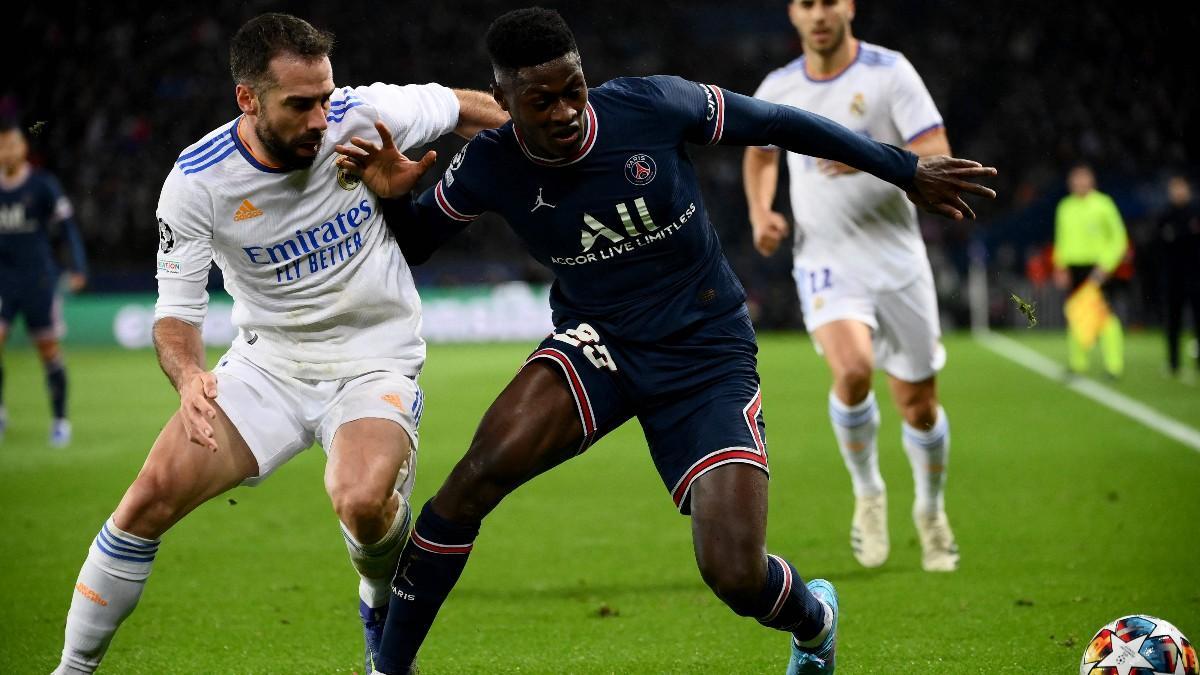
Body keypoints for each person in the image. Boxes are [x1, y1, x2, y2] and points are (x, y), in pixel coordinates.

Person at [333, 8, 995, 673]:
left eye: (574, 89)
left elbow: (778, 123)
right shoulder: (488, 164)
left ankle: (813, 619)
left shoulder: (650, 104)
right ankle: (388, 666)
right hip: (600, 344)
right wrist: (391, 196)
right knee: (469, 484)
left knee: (734, 574)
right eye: (541, 101)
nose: (565, 111)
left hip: (705, 351)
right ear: (503, 101)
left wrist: (904, 169)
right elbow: (416, 242)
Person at [51, 13, 505, 674]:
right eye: (300, 104)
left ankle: (377, 597)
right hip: (267, 366)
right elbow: (175, 313)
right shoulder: (197, 182)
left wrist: (563, 150)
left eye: (325, 97)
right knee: (143, 503)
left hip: (373, 357)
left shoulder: (362, 117)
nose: (321, 118)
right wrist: (187, 377)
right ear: (248, 98)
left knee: (362, 502)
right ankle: (70, 669)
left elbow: (466, 106)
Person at [742, 0, 962, 574]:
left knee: (918, 406)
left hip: (897, 260)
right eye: (806, 4)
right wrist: (761, 210)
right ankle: (868, 494)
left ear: (849, 7)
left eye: (828, 2)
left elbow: (937, 154)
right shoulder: (778, 85)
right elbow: (760, 154)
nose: (818, 14)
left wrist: (869, 157)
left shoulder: (889, 73)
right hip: (825, 257)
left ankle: (931, 510)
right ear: (793, 13)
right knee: (853, 370)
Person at [0, 119, 88, 447]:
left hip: (37, 279)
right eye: (1, 146)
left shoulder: (42, 186)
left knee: (48, 351)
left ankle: (60, 420)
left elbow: (67, 229)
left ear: (24, 148)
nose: (6, 152)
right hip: (3, 282)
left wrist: (77, 266)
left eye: (12, 145)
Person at [1053, 163, 1128, 379]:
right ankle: (1078, 364)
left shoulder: (1104, 204)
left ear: (1092, 180)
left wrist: (1105, 266)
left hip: (1098, 268)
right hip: (1074, 268)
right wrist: (1060, 266)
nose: (1079, 183)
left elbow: (1118, 239)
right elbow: (1061, 239)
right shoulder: (1065, 207)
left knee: (1105, 317)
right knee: (1076, 314)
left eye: (1083, 178)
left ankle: (1114, 365)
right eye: (1075, 179)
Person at [1155, 174, 1200, 381]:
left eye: (1181, 188)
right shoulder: (1165, 215)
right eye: (1174, 188)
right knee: (1173, 321)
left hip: (1196, 275)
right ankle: (1173, 363)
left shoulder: (1195, 213)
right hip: (1173, 277)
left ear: (1188, 190)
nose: (1178, 192)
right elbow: (1158, 246)